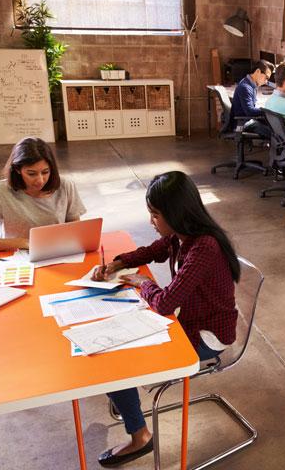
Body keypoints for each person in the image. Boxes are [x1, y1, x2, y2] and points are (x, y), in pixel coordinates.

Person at [91, 171, 241, 467]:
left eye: (155, 215)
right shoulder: (181, 235)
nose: (152, 222)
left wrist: (140, 282)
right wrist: (116, 264)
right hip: (188, 323)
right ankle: (126, 402)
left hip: (207, 338)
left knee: (112, 363)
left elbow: (164, 303)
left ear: (175, 213)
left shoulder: (204, 247)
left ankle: (140, 437)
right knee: (108, 352)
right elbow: (152, 251)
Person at [0, 137, 86, 252]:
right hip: (15, 258)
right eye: (31, 174)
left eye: (45, 172)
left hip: (55, 254)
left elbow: (75, 232)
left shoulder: (65, 186)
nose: (40, 180)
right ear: (17, 169)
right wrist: (21, 242)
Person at [227, 59, 274, 139]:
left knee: (273, 126)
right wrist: (268, 111)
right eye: (266, 77)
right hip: (242, 123)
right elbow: (249, 111)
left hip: (247, 120)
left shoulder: (249, 84)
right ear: (258, 71)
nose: (266, 81)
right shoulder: (245, 87)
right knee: (275, 134)